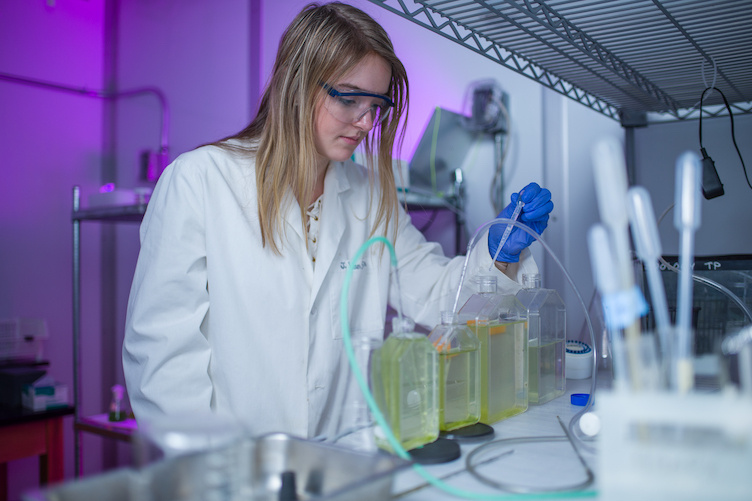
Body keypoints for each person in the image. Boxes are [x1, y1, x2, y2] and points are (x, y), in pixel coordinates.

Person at [122, 1, 553, 440]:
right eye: (349, 99)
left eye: (377, 105)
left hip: (343, 462)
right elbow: (163, 360)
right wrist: (217, 471)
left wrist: (498, 255)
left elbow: (437, 295)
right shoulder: (200, 181)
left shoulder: (372, 195)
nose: (366, 122)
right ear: (296, 84)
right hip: (234, 472)